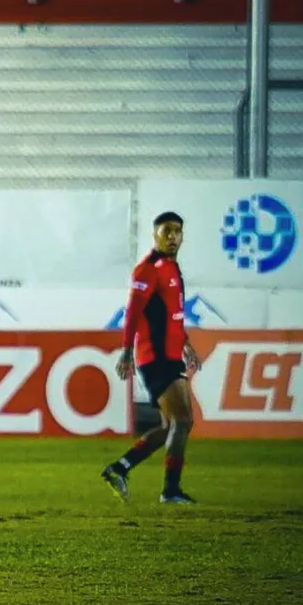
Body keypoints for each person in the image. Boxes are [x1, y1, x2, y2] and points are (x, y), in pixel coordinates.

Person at [103, 211, 201, 505]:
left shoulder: (172, 267)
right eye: (166, 231)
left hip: (170, 356)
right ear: (154, 235)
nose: (172, 236)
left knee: (170, 426)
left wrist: (185, 343)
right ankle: (170, 491)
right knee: (183, 420)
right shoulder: (148, 269)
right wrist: (126, 352)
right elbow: (133, 312)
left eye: (177, 231)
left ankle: (120, 468)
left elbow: (171, 315)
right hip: (156, 358)